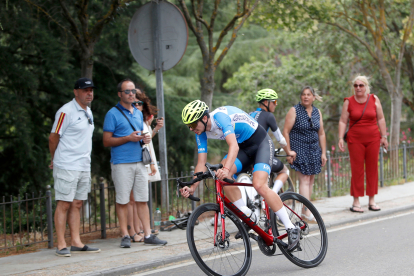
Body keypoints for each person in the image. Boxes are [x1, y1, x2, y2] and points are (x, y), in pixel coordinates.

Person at [180, 100, 300, 251]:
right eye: (188, 126)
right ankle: (248, 214)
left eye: (192, 125)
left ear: (204, 118)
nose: (191, 129)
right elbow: (201, 163)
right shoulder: (200, 132)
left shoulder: (220, 118)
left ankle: (291, 228)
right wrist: (192, 187)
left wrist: (226, 168)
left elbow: (233, 146)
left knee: (259, 184)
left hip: (260, 143)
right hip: (244, 148)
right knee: (221, 177)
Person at [103, 79, 167, 247]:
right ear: (120, 94)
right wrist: (127, 138)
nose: (131, 94)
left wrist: (145, 138)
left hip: (139, 161)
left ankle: (147, 234)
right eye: (127, 91)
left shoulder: (138, 114)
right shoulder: (112, 114)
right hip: (121, 163)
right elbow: (106, 141)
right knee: (123, 200)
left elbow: (140, 137)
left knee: (142, 199)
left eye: (133, 91)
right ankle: (125, 235)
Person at [49, 77, 100, 257]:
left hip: (83, 165)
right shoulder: (65, 112)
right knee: (64, 203)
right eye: (85, 90)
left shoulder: (88, 112)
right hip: (67, 164)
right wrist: (54, 158)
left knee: (77, 203)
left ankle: (76, 242)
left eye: (91, 90)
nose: (89, 93)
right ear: (76, 92)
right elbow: (53, 137)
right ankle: (61, 244)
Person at [338, 75, 388, 213]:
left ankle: (372, 200)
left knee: (372, 168)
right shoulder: (348, 102)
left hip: (373, 138)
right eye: (355, 85)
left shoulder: (374, 99)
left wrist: (384, 136)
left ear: (366, 87)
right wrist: (341, 138)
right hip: (355, 140)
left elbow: (381, 118)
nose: (358, 88)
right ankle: (356, 201)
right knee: (357, 169)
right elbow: (343, 121)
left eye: (361, 85)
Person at [283, 86, 327, 222]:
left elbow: (321, 133)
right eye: (303, 94)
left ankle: (305, 212)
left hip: (313, 150)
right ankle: (307, 212)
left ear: (314, 97)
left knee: (311, 180)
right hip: (299, 150)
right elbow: (285, 131)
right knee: (304, 180)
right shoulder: (294, 110)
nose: (306, 97)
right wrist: (288, 152)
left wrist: (323, 153)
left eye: (309, 94)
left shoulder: (317, 112)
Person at [127, 92, 164, 242]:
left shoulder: (142, 120)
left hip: (146, 157)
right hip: (139, 159)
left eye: (139, 103)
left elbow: (147, 140)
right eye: (134, 103)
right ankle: (135, 231)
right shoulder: (132, 119)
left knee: (139, 198)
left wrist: (155, 129)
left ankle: (140, 229)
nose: (137, 106)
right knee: (134, 198)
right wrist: (152, 164)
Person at [249, 88, 293, 193]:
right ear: (265, 102)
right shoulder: (269, 116)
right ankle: (272, 195)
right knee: (285, 171)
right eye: (274, 101)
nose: (276, 104)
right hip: (259, 155)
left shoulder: (250, 114)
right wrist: (289, 152)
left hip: (247, 154)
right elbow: (281, 140)